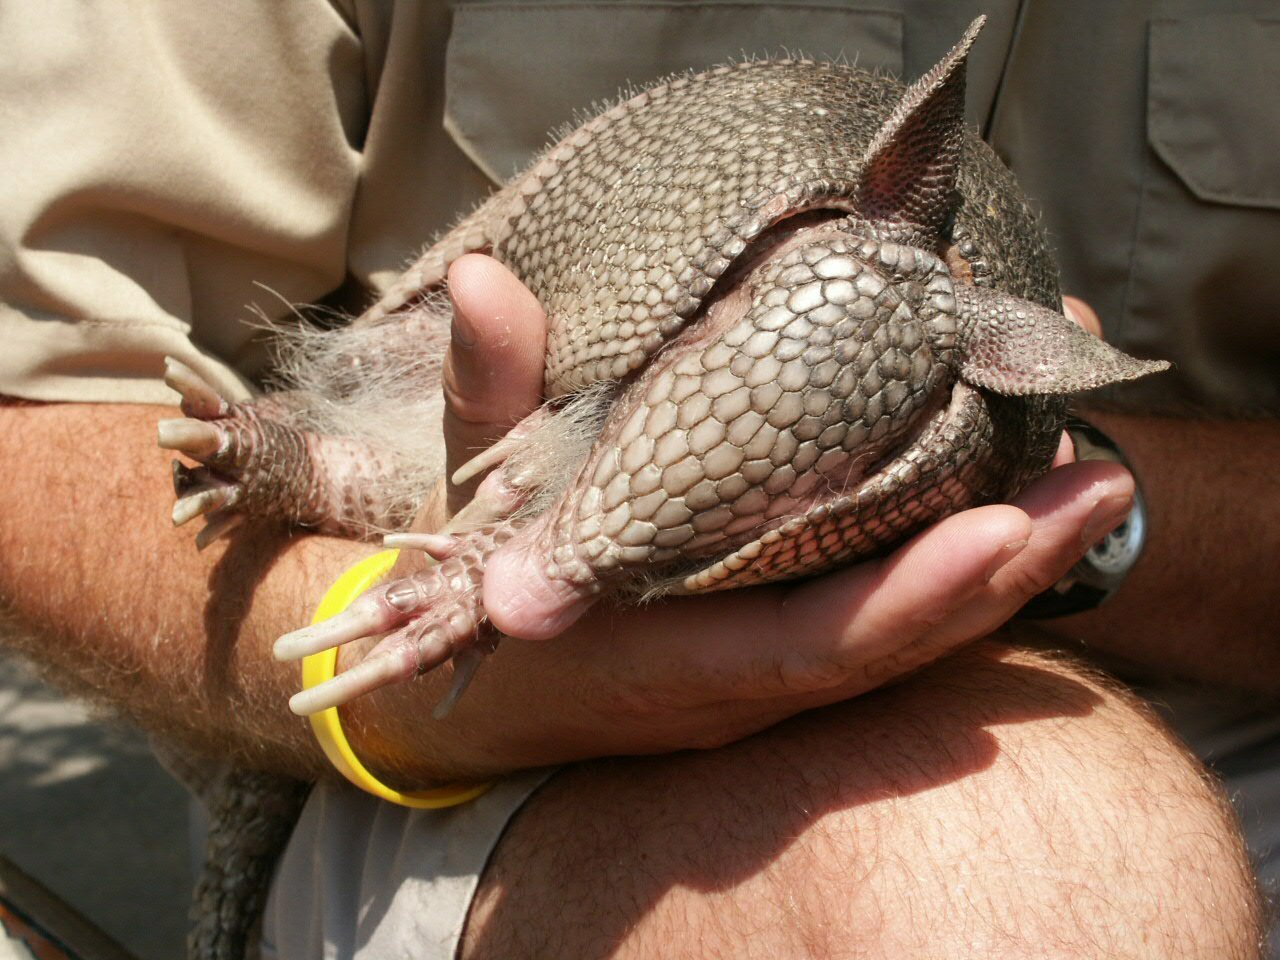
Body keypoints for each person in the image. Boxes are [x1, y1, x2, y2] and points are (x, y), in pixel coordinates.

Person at [0, 2, 1271, 957]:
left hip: (1214, 717)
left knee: (1026, 873)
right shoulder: (671, 235)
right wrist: (407, 680)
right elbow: (36, 406)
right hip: (425, 702)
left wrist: (1080, 525)